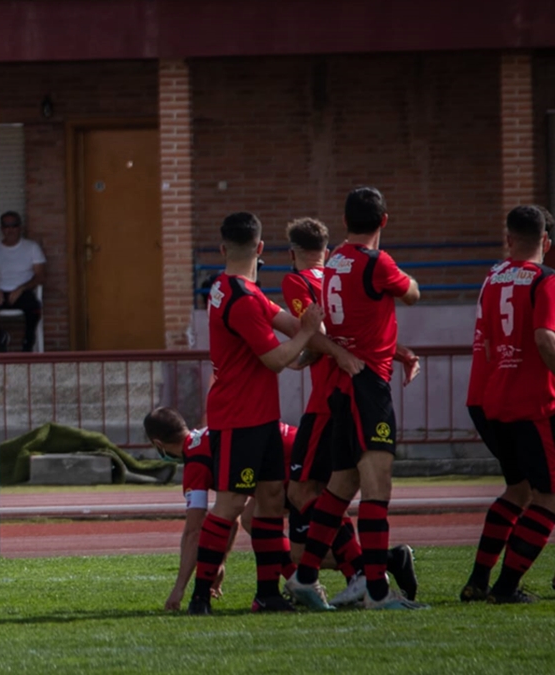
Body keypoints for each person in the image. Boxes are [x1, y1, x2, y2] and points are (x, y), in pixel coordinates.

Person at [286, 187, 424, 611]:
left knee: (341, 485)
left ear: (345, 223)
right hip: (367, 384)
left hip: (342, 389)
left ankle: (305, 576)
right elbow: (412, 293)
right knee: (377, 485)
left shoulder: (335, 265)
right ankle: (379, 593)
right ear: (384, 221)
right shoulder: (375, 262)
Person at [188, 211, 323, 616]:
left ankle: (267, 594)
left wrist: (307, 334)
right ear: (262, 248)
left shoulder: (231, 288)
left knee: (268, 499)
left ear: (222, 248)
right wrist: (305, 333)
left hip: (260, 416)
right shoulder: (242, 299)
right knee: (229, 504)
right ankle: (199, 598)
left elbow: (285, 325)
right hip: (238, 418)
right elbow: (275, 359)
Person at [467, 205, 555, 604]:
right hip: (531, 400)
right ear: (546, 243)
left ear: (508, 239)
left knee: (518, 490)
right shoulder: (544, 279)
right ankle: (505, 588)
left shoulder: (493, 277)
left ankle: (478, 580)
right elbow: (544, 339)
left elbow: (487, 339)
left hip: (492, 396)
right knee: (548, 496)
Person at [144, 407, 302, 612]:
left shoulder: (196, 461)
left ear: (158, 444)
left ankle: (348, 571)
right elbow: (230, 512)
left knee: (315, 546)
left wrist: (178, 589)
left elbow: (194, 530)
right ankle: (298, 583)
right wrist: (218, 560)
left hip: (293, 459)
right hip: (296, 444)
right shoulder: (206, 438)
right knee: (251, 518)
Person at [0, 211, 46, 352]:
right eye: (6, 226)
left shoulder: (31, 247)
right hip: (0, 292)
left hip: (23, 291)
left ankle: (27, 344)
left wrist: (21, 288)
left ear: (20, 228)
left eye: (14, 225)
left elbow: (40, 276)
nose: (10, 230)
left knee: (34, 308)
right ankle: (0, 339)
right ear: (1, 229)